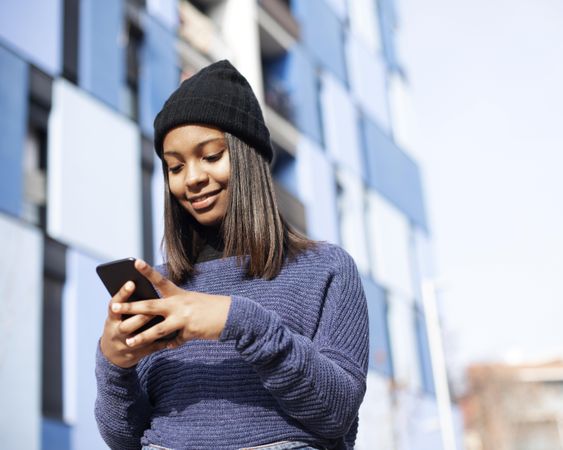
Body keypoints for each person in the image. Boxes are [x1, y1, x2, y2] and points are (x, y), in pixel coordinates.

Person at [95, 60, 369, 450]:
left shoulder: (325, 269)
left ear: (247, 156)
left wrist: (237, 320)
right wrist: (114, 365)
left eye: (210, 156)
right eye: (175, 166)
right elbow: (124, 439)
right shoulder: (162, 290)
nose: (191, 179)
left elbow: (336, 411)